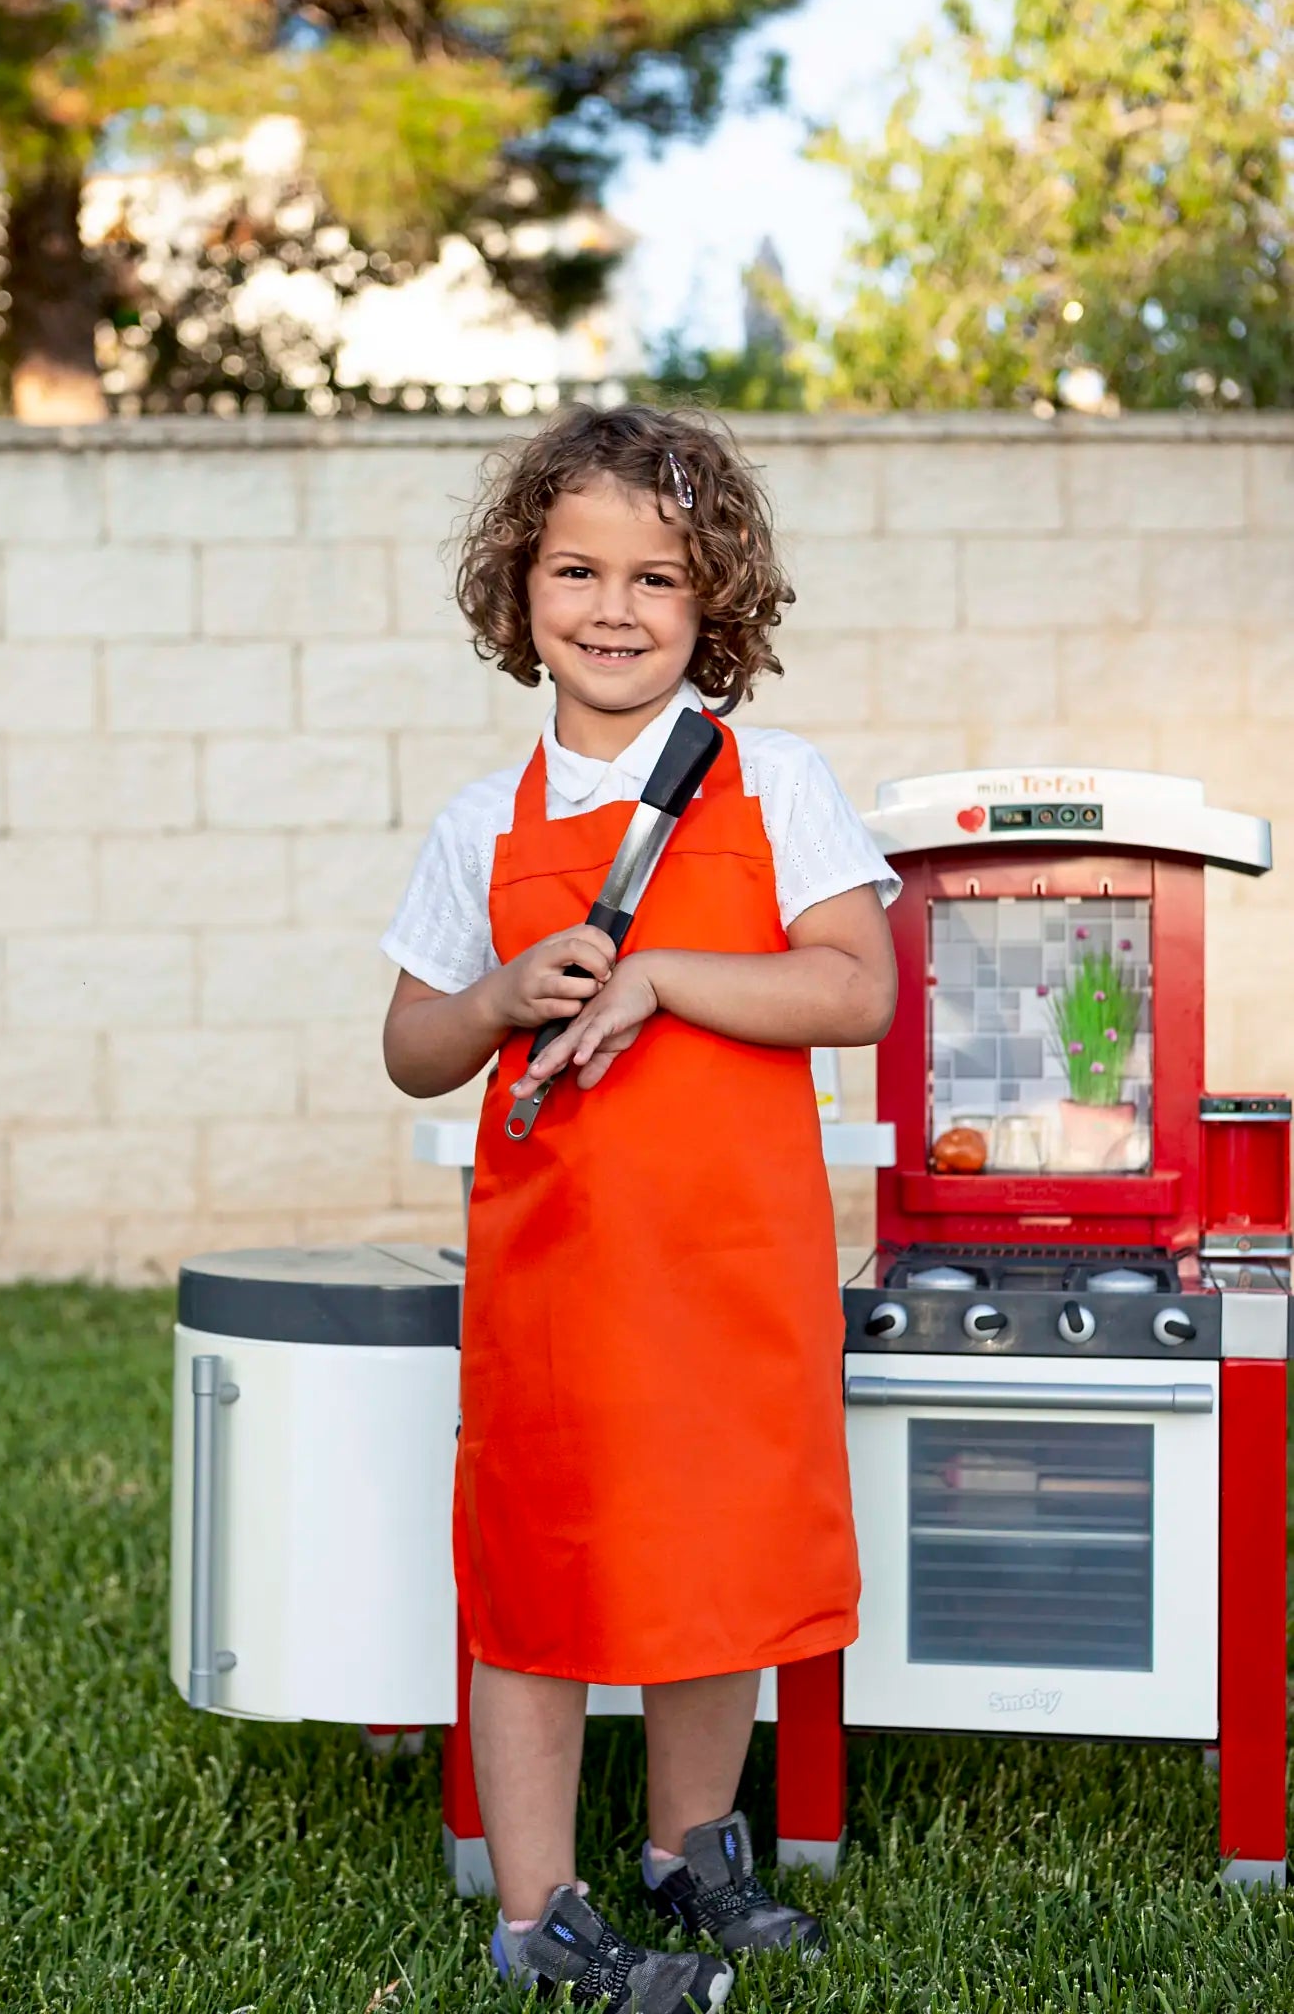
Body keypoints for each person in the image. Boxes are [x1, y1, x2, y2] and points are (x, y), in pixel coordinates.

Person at [382, 404, 899, 2011]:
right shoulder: (484, 824)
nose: (614, 609)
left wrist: (666, 975)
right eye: (577, 570)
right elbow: (410, 1049)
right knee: (537, 1570)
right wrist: (493, 998)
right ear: (516, 590)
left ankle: (691, 1845)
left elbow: (856, 984)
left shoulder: (777, 780)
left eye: (657, 580)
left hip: (732, 1267)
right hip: (557, 1281)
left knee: (719, 1561)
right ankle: (540, 1912)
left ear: (711, 603)